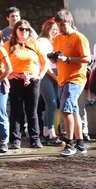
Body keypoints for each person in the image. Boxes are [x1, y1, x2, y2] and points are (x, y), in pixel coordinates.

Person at [52, 9, 91, 156]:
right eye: (58, 25)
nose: (60, 28)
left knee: (66, 109)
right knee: (73, 110)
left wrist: (68, 59)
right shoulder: (57, 38)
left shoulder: (79, 38)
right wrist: (54, 58)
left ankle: (69, 143)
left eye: (62, 25)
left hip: (75, 78)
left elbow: (87, 58)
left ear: (69, 22)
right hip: (62, 78)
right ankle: (80, 143)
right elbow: (58, 56)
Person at [4, 20, 45, 149]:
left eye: (27, 29)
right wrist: (9, 75)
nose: (24, 32)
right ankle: (16, 139)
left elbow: (45, 62)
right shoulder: (8, 45)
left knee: (32, 111)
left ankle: (35, 138)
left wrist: (38, 76)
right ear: (15, 31)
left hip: (32, 80)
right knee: (16, 110)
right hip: (15, 80)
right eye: (21, 29)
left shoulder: (34, 44)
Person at [36, 18, 63, 146]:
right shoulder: (41, 41)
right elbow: (43, 62)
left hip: (58, 74)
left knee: (52, 105)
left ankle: (46, 132)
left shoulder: (57, 41)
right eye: (53, 30)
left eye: (57, 30)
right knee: (51, 104)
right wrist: (53, 76)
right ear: (47, 29)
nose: (55, 32)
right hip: (47, 75)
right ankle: (52, 134)